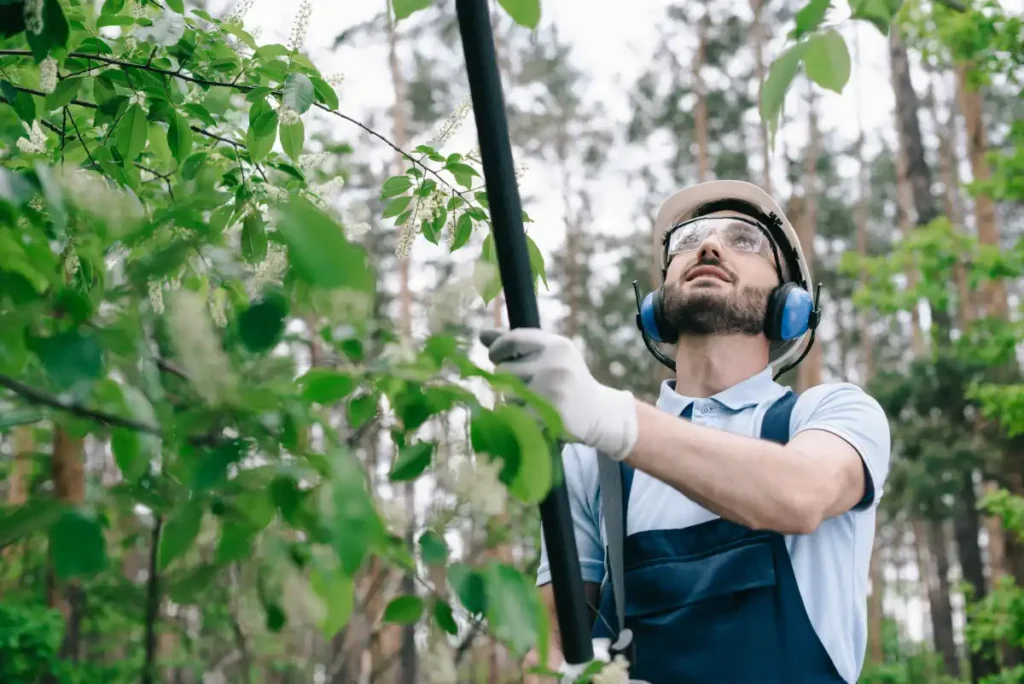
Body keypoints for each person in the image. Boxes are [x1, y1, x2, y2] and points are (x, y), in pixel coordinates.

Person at [479, 180, 891, 683]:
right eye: (688, 240)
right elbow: (552, 647)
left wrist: (610, 417)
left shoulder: (831, 413)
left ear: (790, 302)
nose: (709, 246)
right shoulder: (594, 463)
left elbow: (801, 495)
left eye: (745, 240)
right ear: (656, 301)